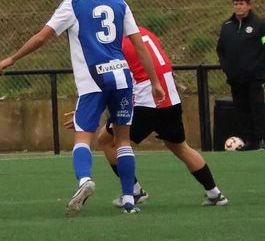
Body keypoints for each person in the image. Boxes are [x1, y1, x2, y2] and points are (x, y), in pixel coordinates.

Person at [0, 0, 163, 216]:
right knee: (123, 140)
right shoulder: (119, 3)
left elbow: (43, 37)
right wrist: (154, 82)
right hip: (122, 77)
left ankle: (85, 180)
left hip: (93, 81)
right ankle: (130, 200)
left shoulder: (73, 4)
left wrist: (13, 58)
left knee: (83, 136)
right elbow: (139, 45)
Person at [94, 26, 226, 207]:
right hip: (170, 100)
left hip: (146, 103)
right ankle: (215, 193)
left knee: (108, 140)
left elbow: (114, 79)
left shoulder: (118, 44)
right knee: (180, 147)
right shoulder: (145, 32)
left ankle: (134, 191)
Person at [216, 0, 265, 150]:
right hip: (235, 78)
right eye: (236, 4)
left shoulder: (259, 24)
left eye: (242, 3)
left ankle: (263, 140)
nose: (238, 7)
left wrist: (258, 66)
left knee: (257, 107)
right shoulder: (227, 26)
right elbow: (221, 49)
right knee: (241, 109)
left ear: (248, 5)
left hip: (254, 77)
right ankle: (250, 140)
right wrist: (226, 67)